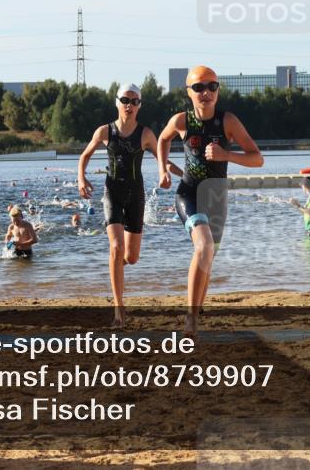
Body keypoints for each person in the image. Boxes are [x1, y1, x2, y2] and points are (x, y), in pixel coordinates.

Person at [158, 65, 264, 338]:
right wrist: (162, 169)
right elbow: (162, 140)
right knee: (203, 247)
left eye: (212, 87)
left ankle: (198, 309)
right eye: (199, 88)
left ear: (217, 90)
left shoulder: (227, 121)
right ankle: (190, 318)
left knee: (209, 256)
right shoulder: (182, 121)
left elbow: (257, 158)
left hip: (216, 197)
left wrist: (227, 155)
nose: (206, 93)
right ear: (189, 92)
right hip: (190, 194)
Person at [78, 83, 182, 327]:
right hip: (112, 192)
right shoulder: (105, 131)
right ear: (117, 103)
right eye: (125, 100)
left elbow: (163, 161)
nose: (129, 105)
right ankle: (119, 310)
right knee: (115, 246)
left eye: (135, 101)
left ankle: (116, 267)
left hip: (135, 194)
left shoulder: (145, 134)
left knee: (131, 257)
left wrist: (182, 176)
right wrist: (81, 178)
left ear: (139, 106)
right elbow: (85, 156)